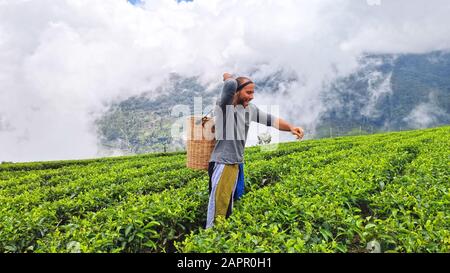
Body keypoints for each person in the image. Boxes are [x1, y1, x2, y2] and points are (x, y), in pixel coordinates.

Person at [206, 73, 304, 228]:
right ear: (237, 92)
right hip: (222, 162)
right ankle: (210, 238)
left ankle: (222, 237)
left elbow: (272, 120)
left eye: (253, 93)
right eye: (248, 92)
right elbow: (230, 84)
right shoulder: (225, 105)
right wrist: (228, 77)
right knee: (218, 208)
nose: (252, 97)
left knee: (230, 206)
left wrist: (291, 127)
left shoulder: (251, 109)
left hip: (237, 163)